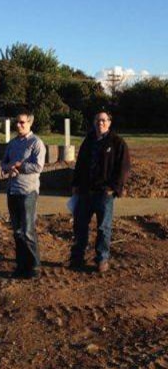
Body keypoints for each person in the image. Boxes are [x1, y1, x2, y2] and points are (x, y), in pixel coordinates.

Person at [69, 111, 130, 273]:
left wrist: (115, 188)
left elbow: (123, 168)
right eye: (97, 120)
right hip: (85, 191)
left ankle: (102, 259)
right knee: (80, 225)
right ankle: (77, 257)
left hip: (104, 193)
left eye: (103, 120)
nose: (100, 123)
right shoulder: (88, 141)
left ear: (109, 122)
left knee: (103, 227)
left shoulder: (117, 142)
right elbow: (80, 163)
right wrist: (75, 183)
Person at [1, 110, 46, 279]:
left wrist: (20, 166)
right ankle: (21, 265)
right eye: (17, 122)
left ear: (30, 123)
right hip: (12, 190)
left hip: (28, 192)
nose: (19, 125)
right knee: (17, 231)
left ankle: (34, 266)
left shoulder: (36, 143)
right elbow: (4, 163)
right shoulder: (12, 143)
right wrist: (8, 167)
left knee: (27, 230)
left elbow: (38, 166)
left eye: (22, 122)